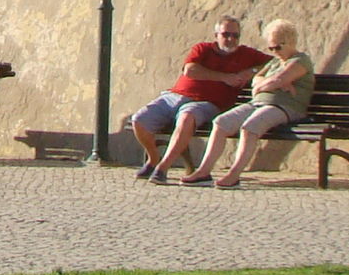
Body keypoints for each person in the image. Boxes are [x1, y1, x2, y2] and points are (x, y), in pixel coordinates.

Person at [131, 15, 270, 180]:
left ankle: (162, 168)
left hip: (206, 103)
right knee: (139, 119)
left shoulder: (246, 55)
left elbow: (276, 62)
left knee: (187, 117)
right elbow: (190, 70)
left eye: (235, 36)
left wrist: (252, 72)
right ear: (216, 36)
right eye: (226, 34)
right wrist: (224, 77)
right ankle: (153, 159)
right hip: (174, 96)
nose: (231, 39)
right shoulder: (203, 49)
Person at [182, 19, 314, 188]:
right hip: (258, 103)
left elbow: (279, 79)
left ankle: (234, 175)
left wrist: (273, 82)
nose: (274, 51)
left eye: (278, 47)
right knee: (221, 123)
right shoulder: (274, 62)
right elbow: (256, 80)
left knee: (250, 127)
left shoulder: (300, 60)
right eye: (271, 48)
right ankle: (203, 171)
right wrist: (268, 83)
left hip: (284, 107)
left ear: (290, 42)